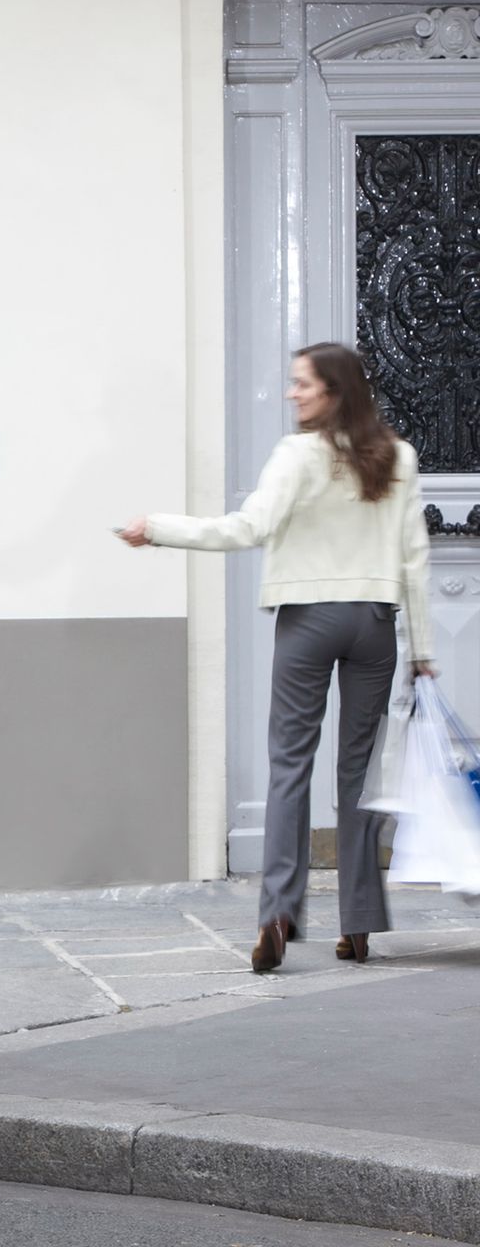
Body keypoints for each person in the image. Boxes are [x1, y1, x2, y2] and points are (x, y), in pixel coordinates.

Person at [120, 343, 434, 972]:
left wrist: (157, 528)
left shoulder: (298, 455)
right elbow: (414, 557)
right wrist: (422, 650)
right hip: (373, 624)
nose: (293, 394)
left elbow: (247, 529)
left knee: (290, 764)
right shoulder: (397, 457)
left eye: (303, 385)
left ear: (335, 393)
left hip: (309, 620)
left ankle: (278, 912)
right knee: (357, 776)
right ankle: (360, 924)